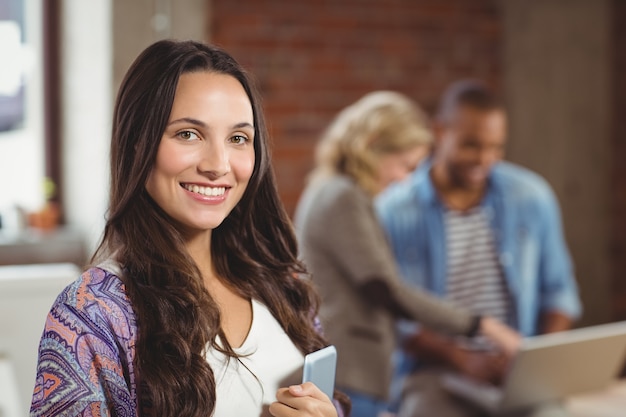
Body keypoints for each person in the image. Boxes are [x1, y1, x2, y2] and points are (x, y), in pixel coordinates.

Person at [29, 40, 350, 417]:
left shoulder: (282, 284)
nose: (218, 164)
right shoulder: (92, 313)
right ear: (136, 144)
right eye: (188, 134)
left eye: (237, 139)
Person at [293, 91, 520, 417]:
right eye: (405, 165)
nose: (405, 179)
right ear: (372, 144)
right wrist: (480, 325)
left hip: (356, 370)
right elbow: (386, 289)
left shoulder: (338, 191)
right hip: (351, 371)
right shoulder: (343, 197)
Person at [376, 80, 583, 417]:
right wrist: (460, 357)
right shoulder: (393, 210)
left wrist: (532, 361)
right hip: (434, 375)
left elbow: (560, 295)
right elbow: (394, 317)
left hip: (518, 375)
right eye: (471, 145)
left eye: (495, 147)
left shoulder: (531, 196)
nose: (485, 159)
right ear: (439, 131)